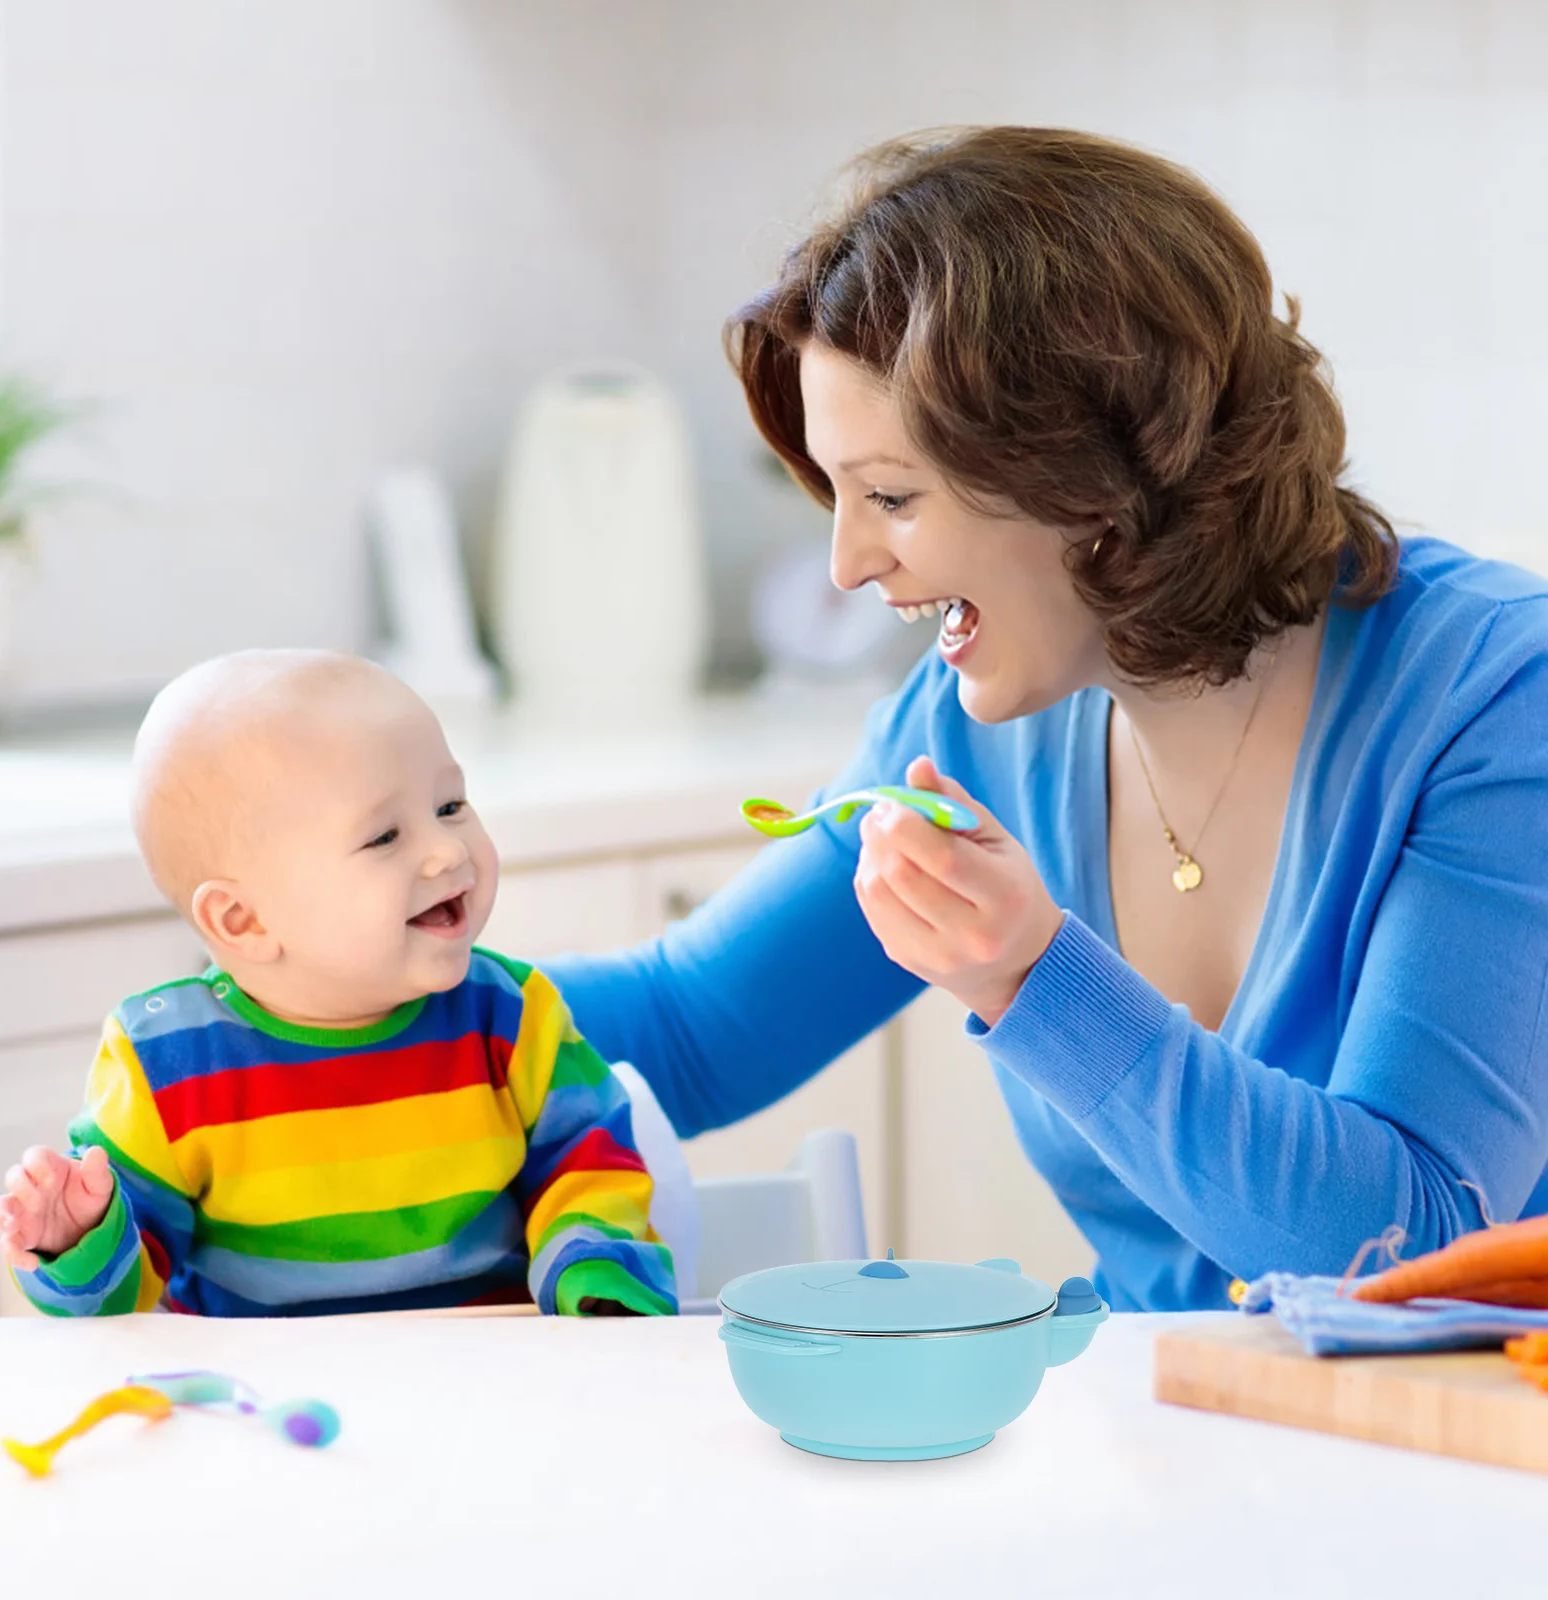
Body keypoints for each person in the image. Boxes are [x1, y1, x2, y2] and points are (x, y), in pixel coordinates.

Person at [544, 127, 1548, 1313]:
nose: (849, 562)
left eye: (891, 497)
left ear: (1091, 481)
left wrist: (1032, 978)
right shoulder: (977, 727)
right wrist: (330, 983)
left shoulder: (1494, 703)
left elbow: (1412, 1248)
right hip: (1169, 1437)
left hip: (1460, 1460)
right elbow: (687, 1025)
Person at [0, 650, 676, 1318]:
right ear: (243, 919)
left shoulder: (510, 1016)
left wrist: (591, 1264)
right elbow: (118, 1304)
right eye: (383, 837)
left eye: (450, 804)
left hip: (490, 1380)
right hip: (270, 1409)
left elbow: (590, 1157)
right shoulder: (168, 1064)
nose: (448, 849)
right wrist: (78, 1241)